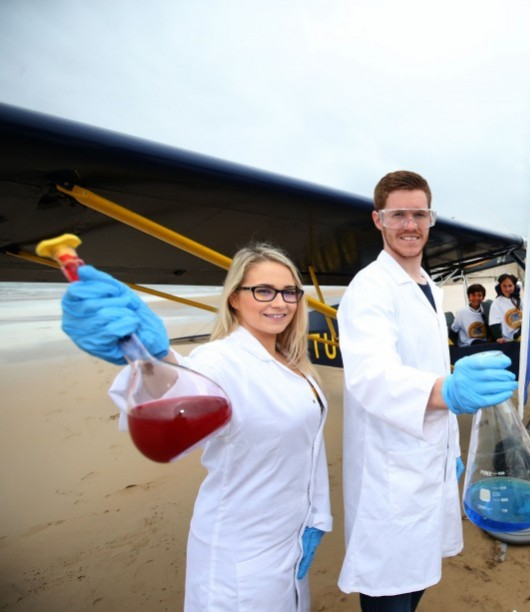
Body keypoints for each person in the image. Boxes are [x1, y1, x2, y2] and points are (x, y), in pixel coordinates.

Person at [60, 244, 332, 611]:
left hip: (291, 540)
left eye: (289, 292)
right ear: (235, 298)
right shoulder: (220, 360)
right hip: (241, 554)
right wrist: (153, 360)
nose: (279, 303)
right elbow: (185, 392)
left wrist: (315, 515)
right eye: (263, 291)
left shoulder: (290, 358)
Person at [336, 170, 517, 611]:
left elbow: (430, 363)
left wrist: (452, 448)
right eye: (399, 214)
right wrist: (449, 391)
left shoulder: (429, 287)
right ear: (378, 219)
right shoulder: (370, 288)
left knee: (415, 584)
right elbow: (371, 375)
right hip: (390, 471)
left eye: (419, 214)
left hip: (428, 460)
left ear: (431, 219)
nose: (410, 225)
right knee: (390, 593)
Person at [488, 273, 522, 343]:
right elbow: (494, 322)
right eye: (504, 286)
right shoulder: (497, 303)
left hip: (521, 337)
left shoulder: (520, 301)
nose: (507, 289)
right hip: (508, 341)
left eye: (510, 286)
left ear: (515, 286)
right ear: (499, 287)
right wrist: (498, 337)